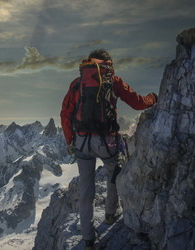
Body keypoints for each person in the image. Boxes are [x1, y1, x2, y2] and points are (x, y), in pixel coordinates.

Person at [60, 49, 157, 250]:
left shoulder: (77, 84)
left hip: (82, 142)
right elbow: (137, 103)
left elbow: (65, 113)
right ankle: (111, 214)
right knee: (114, 172)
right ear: (108, 63)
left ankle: (87, 238)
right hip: (107, 142)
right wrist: (153, 98)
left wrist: (70, 141)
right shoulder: (113, 81)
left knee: (87, 189)